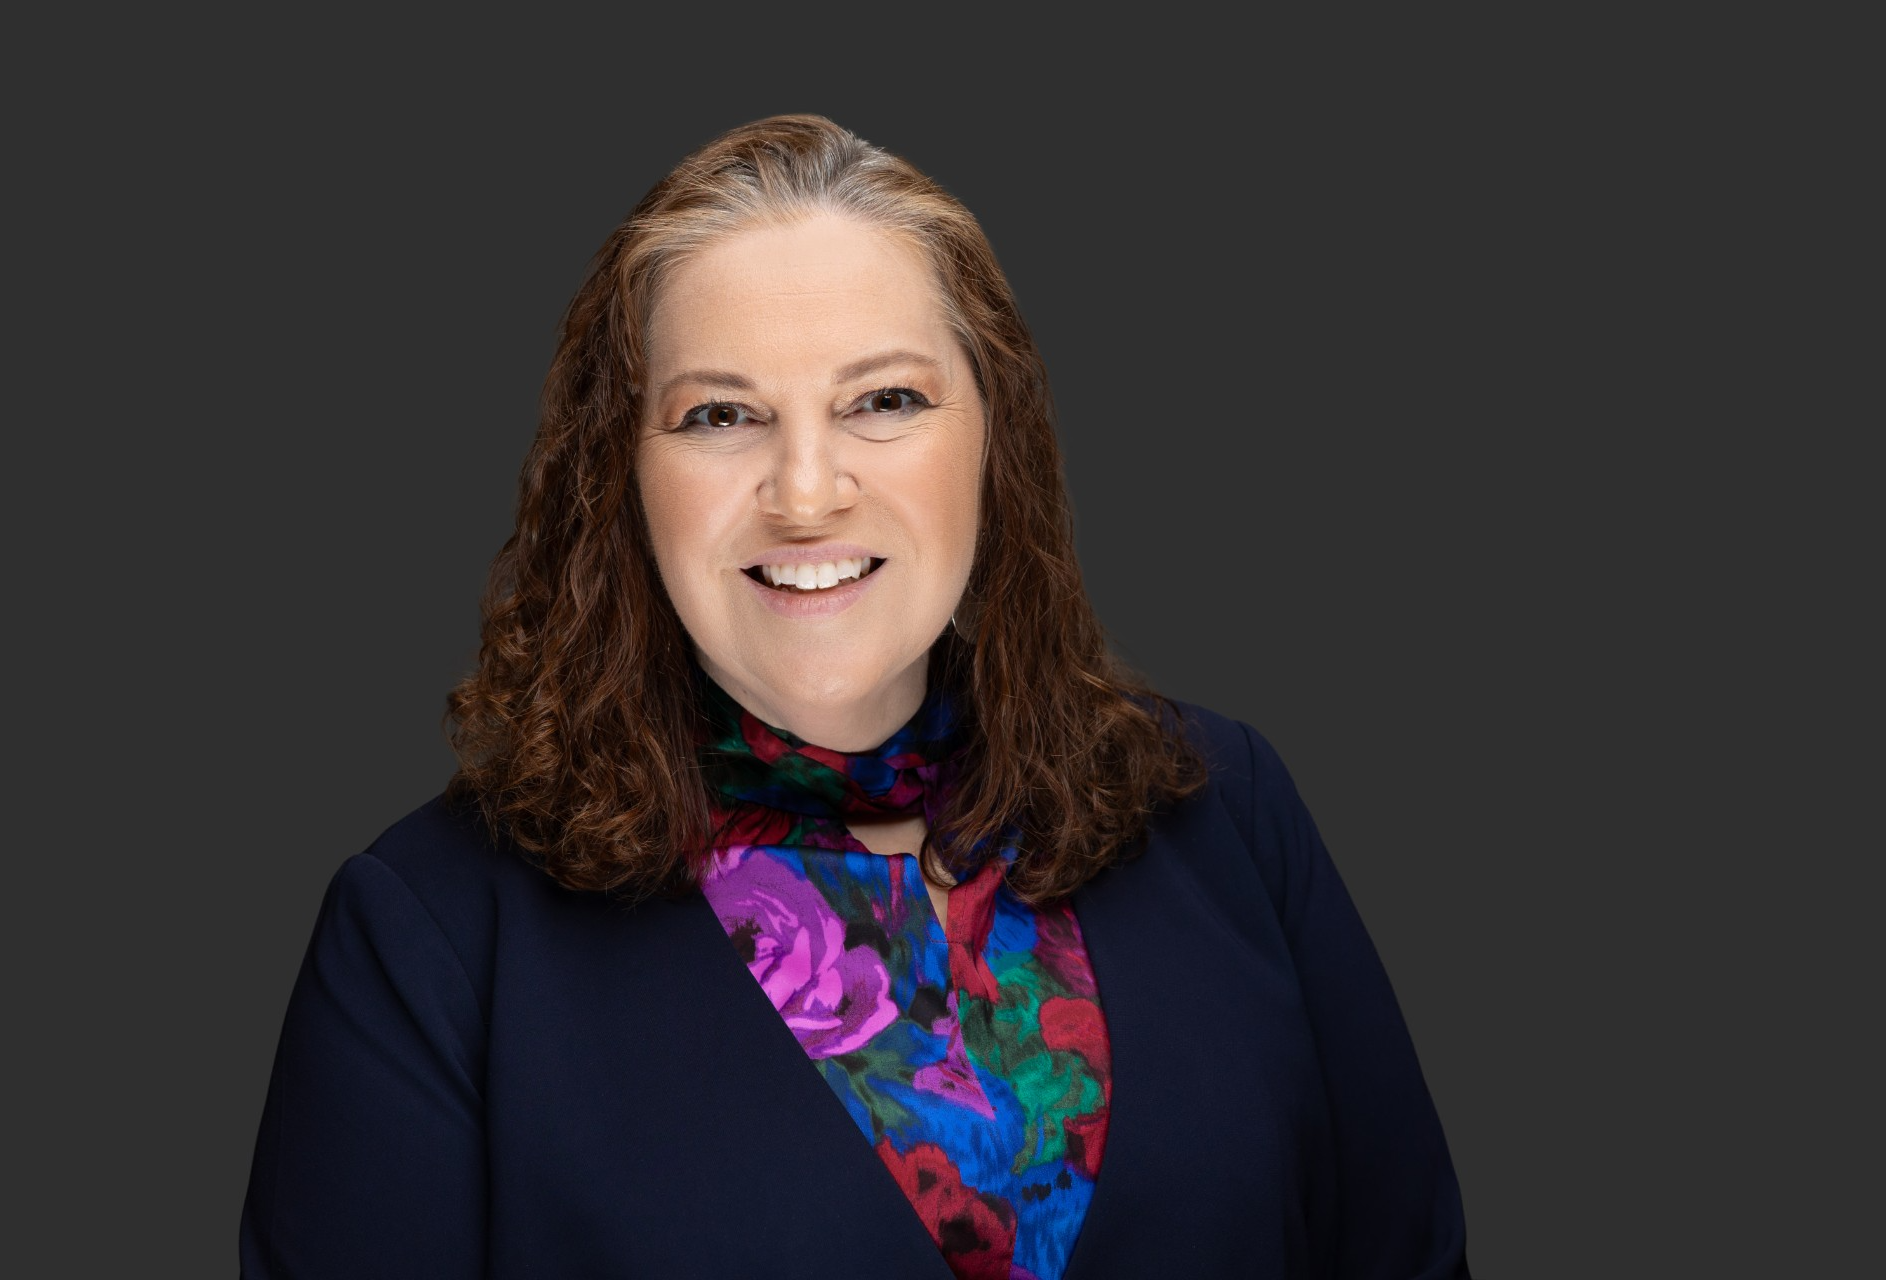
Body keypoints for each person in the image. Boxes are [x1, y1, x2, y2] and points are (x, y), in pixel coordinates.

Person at [239, 114, 1470, 1279]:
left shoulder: (1226, 814)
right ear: (623, 475)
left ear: (994, 439)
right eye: (722, 414)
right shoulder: (432, 941)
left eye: (884, 399)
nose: (805, 491)